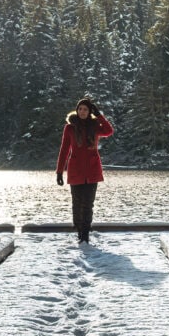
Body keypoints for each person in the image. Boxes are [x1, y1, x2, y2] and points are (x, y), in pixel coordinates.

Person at [56, 97, 114, 243]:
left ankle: (85, 234)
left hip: (92, 170)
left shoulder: (95, 126)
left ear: (90, 112)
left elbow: (109, 131)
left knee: (88, 203)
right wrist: (59, 171)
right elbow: (64, 150)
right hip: (75, 170)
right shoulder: (69, 128)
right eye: (80, 109)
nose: (82, 111)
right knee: (77, 203)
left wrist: (99, 115)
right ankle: (79, 228)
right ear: (77, 110)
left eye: (86, 109)